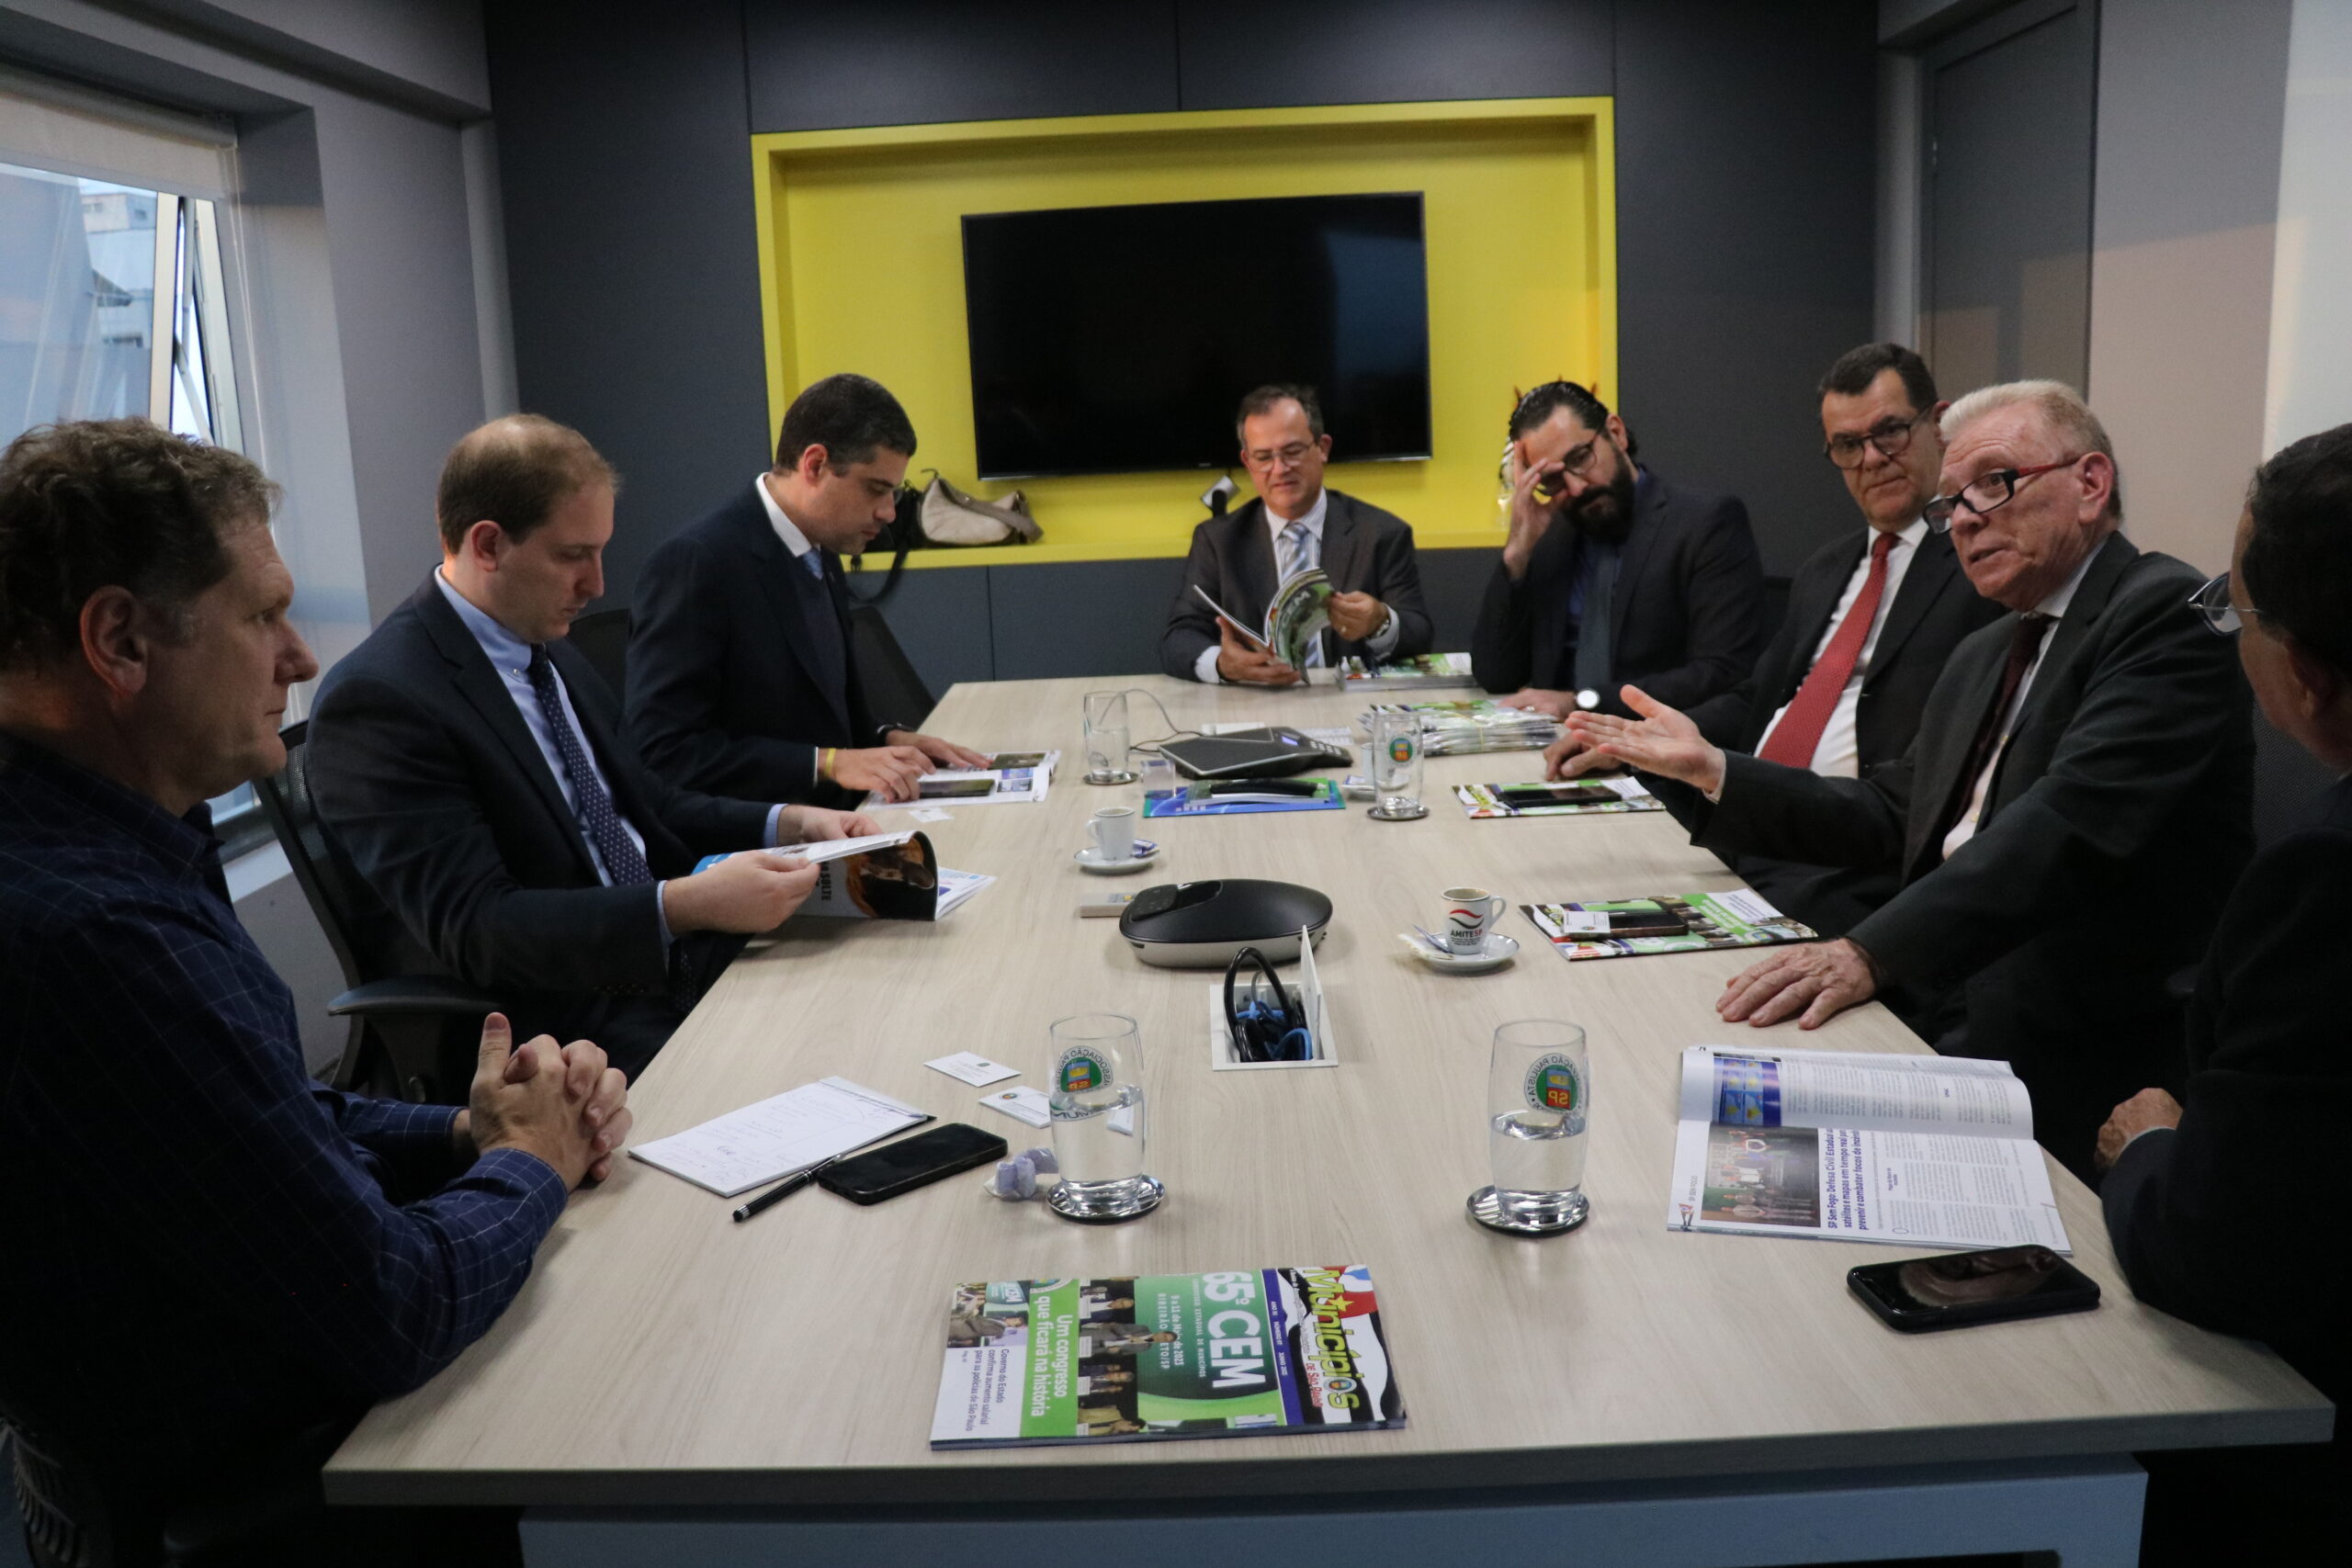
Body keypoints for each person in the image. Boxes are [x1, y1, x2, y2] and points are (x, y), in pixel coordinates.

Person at [0, 418, 625, 1562]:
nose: (298, 657)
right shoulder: (96, 936)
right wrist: (533, 1161)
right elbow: (395, 1306)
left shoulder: (107, 844)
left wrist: (463, 1125)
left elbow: (255, 1117)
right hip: (278, 1496)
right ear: (119, 640)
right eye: (261, 614)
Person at [1562, 381, 2252, 1181]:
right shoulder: (1986, 651)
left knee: (1734, 1158)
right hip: (1940, 988)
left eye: (1994, 483)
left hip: (2064, 1037)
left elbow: (2065, 828)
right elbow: (1893, 813)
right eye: (1951, 503)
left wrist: (1869, 952)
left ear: (2091, 484)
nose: (1963, 518)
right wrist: (1716, 770)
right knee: (1663, 1091)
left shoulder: (2163, 612)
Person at [310, 415, 875, 1081]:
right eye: (573, 555)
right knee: (815, 1069)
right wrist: (684, 903)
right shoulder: (383, 702)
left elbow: (648, 803)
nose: (598, 584)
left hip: (668, 962)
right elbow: (483, 929)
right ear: (487, 544)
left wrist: (787, 821)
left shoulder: (547, 649)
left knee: (871, 992)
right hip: (569, 1026)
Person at [2096, 425, 2352, 1557]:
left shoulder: (2323, 883)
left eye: (2237, 614)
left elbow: (2217, 1252)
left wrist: (2150, 1147)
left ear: (2300, 670)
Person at [1605, 344, 2003, 937]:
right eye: (1848, 445)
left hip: (1852, 867)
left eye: (1889, 431)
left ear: (1938, 426)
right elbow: (1757, 699)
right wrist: (1643, 738)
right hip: (1746, 835)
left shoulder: (1982, 564)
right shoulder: (1827, 567)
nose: (1871, 459)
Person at [628, 374, 986, 806]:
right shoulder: (697, 563)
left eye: (893, 492)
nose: (889, 513)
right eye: (876, 489)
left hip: (842, 820)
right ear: (815, 465)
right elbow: (664, 753)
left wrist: (888, 738)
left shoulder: (821, 549)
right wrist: (828, 763)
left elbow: (816, 718)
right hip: (761, 850)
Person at [1471, 379, 1765, 719]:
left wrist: (1582, 702)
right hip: (1553, 742)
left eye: (1581, 458)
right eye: (1552, 480)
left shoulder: (1703, 524)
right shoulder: (1551, 536)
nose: (1577, 487)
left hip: (1654, 746)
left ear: (1616, 433)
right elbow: (1496, 674)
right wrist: (1517, 554)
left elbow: (1722, 672)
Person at [1159, 384, 1433, 684]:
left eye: (1292, 452)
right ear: (1248, 463)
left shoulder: (1381, 533)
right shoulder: (1218, 540)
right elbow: (1179, 638)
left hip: (1349, 702)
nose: (1279, 469)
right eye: (1264, 457)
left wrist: (1380, 622)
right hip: (1255, 703)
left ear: (1323, 448)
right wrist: (1223, 665)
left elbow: (1418, 632)